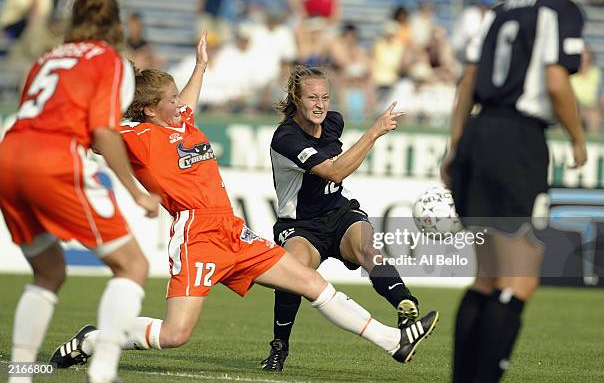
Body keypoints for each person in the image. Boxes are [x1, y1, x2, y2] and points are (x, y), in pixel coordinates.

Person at [50, 32, 439, 372]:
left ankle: (393, 341)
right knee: (174, 334)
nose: (179, 104)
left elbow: (187, 101)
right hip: (196, 234)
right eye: (170, 99)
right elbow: (84, 131)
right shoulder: (133, 136)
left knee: (311, 282)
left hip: (231, 229)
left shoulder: (178, 121)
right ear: (150, 109)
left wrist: (201, 66)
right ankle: (93, 340)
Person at [0, 0, 160, 383]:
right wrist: (136, 190)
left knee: (48, 271)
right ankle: (102, 372)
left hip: (9, 156)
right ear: (115, 25)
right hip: (54, 160)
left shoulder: (46, 59)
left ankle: (21, 374)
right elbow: (103, 131)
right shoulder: (111, 61)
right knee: (133, 265)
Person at [440, 0, 587, 382]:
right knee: (521, 277)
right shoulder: (560, 8)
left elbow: (467, 82)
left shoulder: (502, 7)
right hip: (517, 139)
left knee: (486, 277)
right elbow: (556, 82)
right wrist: (577, 137)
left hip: (478, 133)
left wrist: (456, 146)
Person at [260, 65, 434, 372]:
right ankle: (279, 346)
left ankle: (406, 307)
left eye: (325, 97)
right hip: (300, 225)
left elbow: (335, 173)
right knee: (293, 273)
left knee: (368, 248)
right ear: (296, 99)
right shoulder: (286, 137)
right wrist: (375, 131)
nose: (320, 104)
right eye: (312, 97)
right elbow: (335, 171)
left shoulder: (333, 122)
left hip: (339, 212)